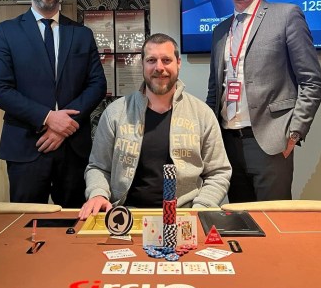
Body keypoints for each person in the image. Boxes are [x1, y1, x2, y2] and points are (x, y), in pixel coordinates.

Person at [206, 0, 321, 202]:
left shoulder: (286, 15)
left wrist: (295, 131)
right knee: (240, 219)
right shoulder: (220, 31)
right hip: (227, 143)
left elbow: (312, 81)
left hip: (271, 142)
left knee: (273, 220)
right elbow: (215, 91)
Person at [0, 0, 106, 207]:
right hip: (26, 146)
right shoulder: (7, 32)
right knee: (27, 223)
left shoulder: (82, 34)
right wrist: (49, 118)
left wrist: (65, 125)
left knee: (75, 221)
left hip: (73, 147)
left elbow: (97, 85)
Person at [78, 33, 231, 220]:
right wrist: (98, 193)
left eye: (166, 60)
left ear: (178, 63)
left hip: (185, 215)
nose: (159, 67)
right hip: (126, 215)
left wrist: (201, 207)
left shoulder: (202, 114)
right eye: (151, 60)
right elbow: (98, 167)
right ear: (142, 64)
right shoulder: (115, 113)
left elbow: (218, 172)